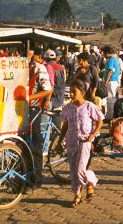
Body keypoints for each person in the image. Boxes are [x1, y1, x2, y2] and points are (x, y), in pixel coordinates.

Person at [57, 79, 104, 207]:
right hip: (71, 142)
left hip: (84, 142)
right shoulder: (67, 108)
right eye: (70, 92)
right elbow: (65, 125)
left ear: (82, 92)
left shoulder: (89, 106)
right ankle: (77, 195)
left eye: (74, 92)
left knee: (80, 170)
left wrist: (93, 134)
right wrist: (59, 140)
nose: (71, 94)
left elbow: (100, 120)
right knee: (73, 171)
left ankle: (91, 180)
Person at [28, 47, 53, 186]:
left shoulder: (39, 68)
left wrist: (29, 97)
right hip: (17, 110)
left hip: (33, 108)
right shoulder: (17, 66)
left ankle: (36, 177)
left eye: (29, 51)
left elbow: (48, 89)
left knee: (36, 141)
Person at [102, 46, 121, 120]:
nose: (103, 54)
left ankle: (110, 116)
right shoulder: (114, 59)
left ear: (107, 53)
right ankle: (111, 115)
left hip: (111, 81)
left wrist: (106, 80)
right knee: (111, 98)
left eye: (103, 53)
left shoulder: (111, 59)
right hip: (114, 81)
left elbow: (111, 70)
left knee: (110, 99)